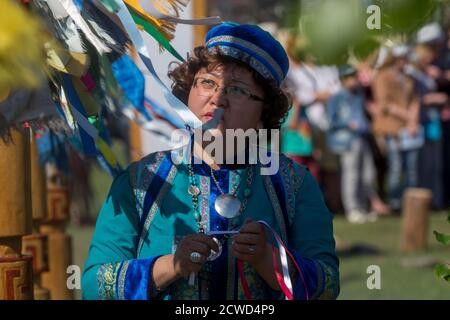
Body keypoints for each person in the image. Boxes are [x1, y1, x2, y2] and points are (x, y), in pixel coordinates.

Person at [81, 22, 340, 300]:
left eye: (237, 90)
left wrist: (270, 262)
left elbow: (327, 286)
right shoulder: (140, 183)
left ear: (265, 111)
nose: (218, 99)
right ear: (187, 90)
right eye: (207, 82)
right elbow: (94, 286)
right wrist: (171, 266)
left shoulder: (294, 185)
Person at [327, 64, 390, 224]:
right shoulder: (336, 97)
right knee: (351, 175)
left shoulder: (358, 95)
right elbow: (331, 121)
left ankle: (362, 207)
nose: (354, 81)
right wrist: (347, 124)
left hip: (362, 137)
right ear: (343, 80)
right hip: (347, 140)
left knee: (367, 174)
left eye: (355, 77)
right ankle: (352, 209)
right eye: (350, 77)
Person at [371, 46, 421, 212]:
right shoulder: (382, 76)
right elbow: (384, 104)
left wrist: (413, 120)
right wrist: (408, 117)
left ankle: (410, 202)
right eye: (403, 58)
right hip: (390, 128)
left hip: (408, 128)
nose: (406, 61)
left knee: (411, 168)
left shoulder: (407, 78)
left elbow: (415, 99)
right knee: (396, 166)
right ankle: (395, 202)